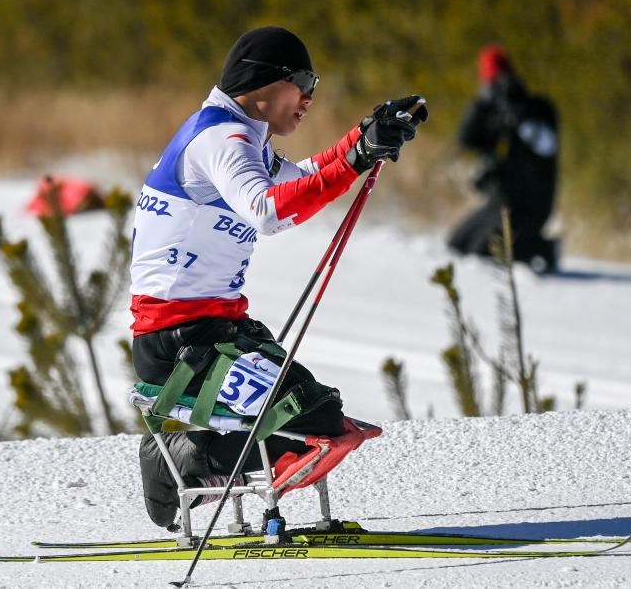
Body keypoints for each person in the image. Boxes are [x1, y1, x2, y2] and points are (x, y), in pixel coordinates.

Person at [129, 26, 427, 527]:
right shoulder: (221, 138)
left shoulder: (242, 136)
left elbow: (304, 178)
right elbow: (267, 210)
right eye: (304, 83)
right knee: (313, 422)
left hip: (216, 332)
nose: (310, 98)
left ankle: (202, 458)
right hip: (178, 342)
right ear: (263, 82)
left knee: (323, 417)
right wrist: (354, 159)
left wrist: (362, 141)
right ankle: (182, 458)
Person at [447, 45, 559, 273]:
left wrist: (520, 115)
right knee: (457, 244)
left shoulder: (539, 110)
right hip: (498, 203)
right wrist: (482, 103)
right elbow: (466, 139)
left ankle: (543, 247)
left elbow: (546, 146)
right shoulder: (492, 112)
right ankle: (528, 244)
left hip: (529, 207)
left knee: (483, 251)